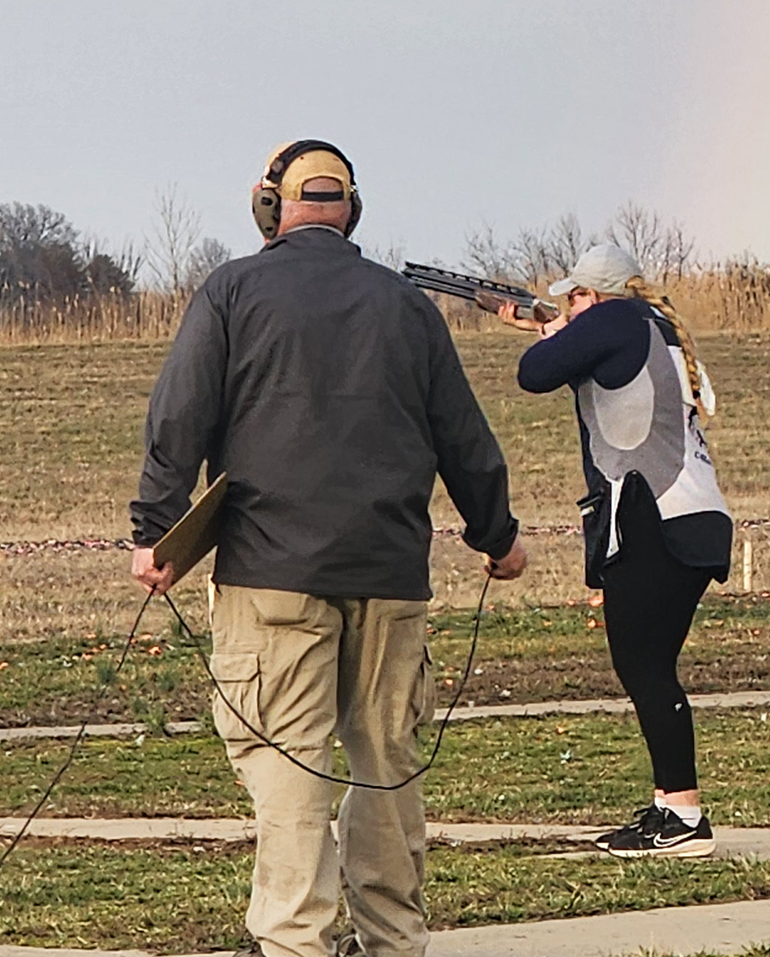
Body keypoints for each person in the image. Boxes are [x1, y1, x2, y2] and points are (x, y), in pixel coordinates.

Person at [130, 140, 528, 957]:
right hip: (390, 579)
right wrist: (498, 537)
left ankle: (295, 944)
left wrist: (155, 532)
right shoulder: (407, 306)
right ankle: (393, 941)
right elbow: (465, 437)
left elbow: (179, 418)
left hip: (270, 578)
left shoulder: (232, 290)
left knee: (288, 771)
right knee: (386, 770)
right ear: (353, 209)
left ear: (270, 204)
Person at [499, 243, 732, 858]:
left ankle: (683, 817)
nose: (571, 307)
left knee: (644, 666)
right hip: (692, 514)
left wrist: (553, 335)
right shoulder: (653, 326)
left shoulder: (617, 318)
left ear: (592, 295)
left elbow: (534, 373)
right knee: (650, 665)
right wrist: (556, 331)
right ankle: (669, 808)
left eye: (574, 297)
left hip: (654, 516)